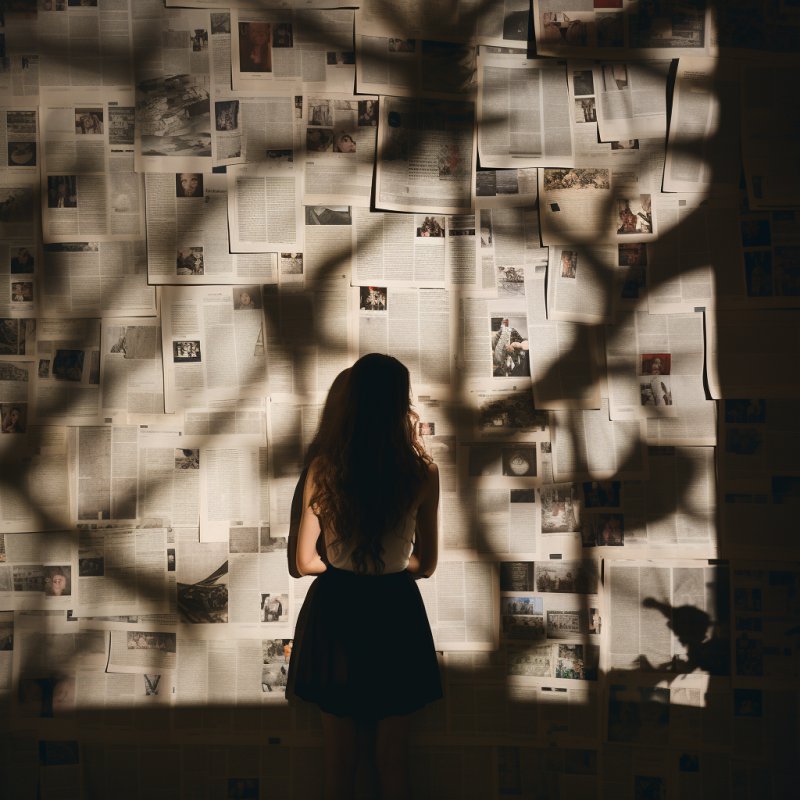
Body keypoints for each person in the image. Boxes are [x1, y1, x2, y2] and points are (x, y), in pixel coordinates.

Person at [288, 353, 441, 800]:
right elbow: (426, 564)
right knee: (392, 759)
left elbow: (303, 562)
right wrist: (389, 568)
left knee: (340, 761)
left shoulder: (324, 468)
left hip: (338, 609)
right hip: (396, 611)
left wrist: (343, 566)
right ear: (401, 403)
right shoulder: (422, 472)